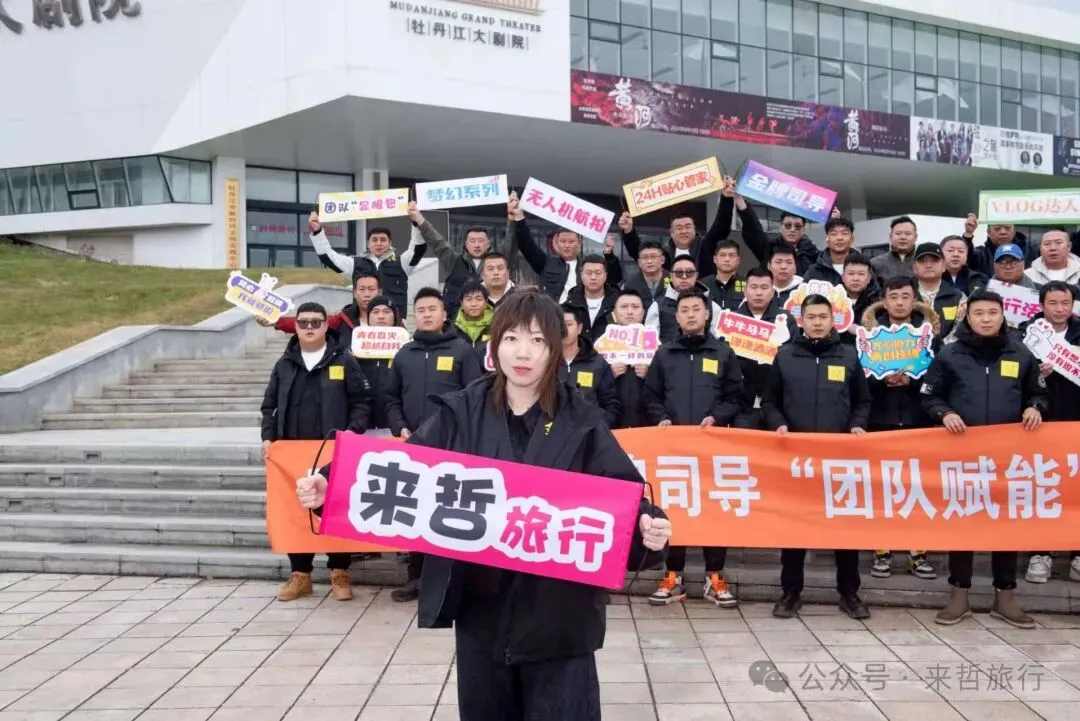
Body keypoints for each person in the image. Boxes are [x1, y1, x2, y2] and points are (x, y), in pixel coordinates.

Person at [295, 289, 671, 721]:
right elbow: (404, 466)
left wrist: (649, 526)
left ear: (555, 348)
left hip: (560, 617)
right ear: (495, 345)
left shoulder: (582, 421)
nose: (523, 353)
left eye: (537, 340)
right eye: (511, 338)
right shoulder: (462, 411)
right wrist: (331, 485)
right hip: (482, 612)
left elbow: (627, 500)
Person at [920, 291, 1048, 629]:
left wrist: (1035, 407)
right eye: (979, 313)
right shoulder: (950, 354)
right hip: (963, 458)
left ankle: (1005, 596)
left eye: (993, 312)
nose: (986, 319)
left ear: (1003, 316)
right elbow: (929, 396)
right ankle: (958, 594)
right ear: (968, 316)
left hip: (1009, 461)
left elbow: (1039, 393)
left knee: (1006, 527)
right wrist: (944, 413)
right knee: (964, 526)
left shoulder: (1020, 353)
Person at [762, 294, 872, 620]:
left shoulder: (848, 356)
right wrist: (778, 424)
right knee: (794, 529)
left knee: (843, 529)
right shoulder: (785, 356)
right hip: (795, 460)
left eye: (823, 317)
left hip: (839, 458)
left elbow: (863, 402)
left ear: (833, 319)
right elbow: (769, 402)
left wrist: (857, 425)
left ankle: (849, 593)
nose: (818, 323)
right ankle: (790, 592)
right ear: (801, 321)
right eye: (811, 317)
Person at [259, 302, 372, 602]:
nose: (309, 328)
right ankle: (300, 574)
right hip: (292, 452)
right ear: (295, 327)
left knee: (334, 509)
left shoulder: (344, 360)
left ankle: (339, 571)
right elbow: (269, 406)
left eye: (316, 322)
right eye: (303, 322)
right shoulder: (284, 364)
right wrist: (268, 437)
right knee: (296, 509)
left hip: (332, 453)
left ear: (326, 326)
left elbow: (362, 401)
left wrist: (353, 431)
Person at [644, 289, 744, 609]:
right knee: (674, 511)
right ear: (676, 317)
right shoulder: (664, 354)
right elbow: (651, 395)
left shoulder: (722, 353)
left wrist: (717, 417)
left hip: (712, 448)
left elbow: (735, 396)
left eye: (696, 309)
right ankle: (673, 576)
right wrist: (661, 418)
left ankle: (715, 577)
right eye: (684, 310)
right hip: (674, 450)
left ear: (707, 314)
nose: (690, 315)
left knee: (714, 510)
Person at [385, 287, 485, 602]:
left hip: (452, 448)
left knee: (449, 511)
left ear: (444, 313)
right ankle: (416, 578)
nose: (427, 314)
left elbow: (475, 398)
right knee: (415, 511)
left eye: (432, 309)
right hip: (414, 447)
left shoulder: (462, 351)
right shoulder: (404, 354)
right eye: (421, 310)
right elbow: (390, 399)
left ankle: (451, 579)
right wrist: (400, 427)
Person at [859, 275, 940, 581]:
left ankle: (918, 553)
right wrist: (880, 380)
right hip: (880, 423)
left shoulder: (929, 337)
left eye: (906, 297)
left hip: (919, 422)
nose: (900, 303)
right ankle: (882, 552)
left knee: (917, 491)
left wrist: (914, 381)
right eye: (894, 297)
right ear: (885, 301)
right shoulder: (869, 337)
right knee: (882, 491)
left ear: (914, 300)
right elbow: (858, 381)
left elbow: (940, 379)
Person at [1019, 281, 1080, 584]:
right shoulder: (1026, 334)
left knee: (1076, 489)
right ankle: (1040, 553)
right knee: (1044, 488)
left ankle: (1077, 553)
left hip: (1076, 422)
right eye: (1053, 303)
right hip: (1040, 423)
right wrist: (1033, 370)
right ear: (1041, 305)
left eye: (1065, 303)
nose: (1059, 309)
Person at [307, 207, 429, 312]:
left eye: (383, 240)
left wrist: (416, 223)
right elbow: (328, 258)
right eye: (374, 240)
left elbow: (418, 248)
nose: (379, 243)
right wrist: (318, 232)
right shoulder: (354, 264)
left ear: (390, 243)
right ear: (368, 244)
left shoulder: (402, 263)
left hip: (395, 325)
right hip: (363, 325)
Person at [512, 193, 621, 304]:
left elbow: (614, 279)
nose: (567, 245)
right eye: (563, 241)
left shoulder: (588, 266)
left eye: (571, 241)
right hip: (553, 311)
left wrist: (609, 256)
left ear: (579, 243)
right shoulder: (546, 263)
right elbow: (526, 244)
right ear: (556, 243)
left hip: (580, 311)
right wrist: (519, 218)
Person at [730, 267, 796, 430]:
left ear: (772, 292)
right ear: (745, 291)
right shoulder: (732, 320)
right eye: (753, 287)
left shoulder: (785, 320)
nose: (758, 293)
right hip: (742, 404)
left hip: (777, 404)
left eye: (764, 287)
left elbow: (792, 357)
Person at [263, 271, 387, 343]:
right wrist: (275, 321)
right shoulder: (343, 319)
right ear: (354, 293)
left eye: (371, 289)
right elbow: (311, 323)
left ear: (380, 292)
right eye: (362, 289)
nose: (366, 294)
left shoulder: (393, 320)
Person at [559, 304, 620, 427]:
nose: (564, 329)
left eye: (569, 324)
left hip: (590, 432)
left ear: (579, 328)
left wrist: (599, 427)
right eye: (559, 325)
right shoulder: (544, 362)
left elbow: (611, 404)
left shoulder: (597, 363)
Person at [423, 223, 493, 321]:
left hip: (488, 322)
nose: (477, 245)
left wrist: (512, 221)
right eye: (472, 241)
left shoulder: (496, 264)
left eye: (481, 241)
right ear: (466, 244)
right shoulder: (454, 260)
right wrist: (420, 220)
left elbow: (510, 244)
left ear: (488, 244)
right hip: (455, 322)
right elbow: (437, 241)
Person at [645, 256, 723, 344]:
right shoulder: (657, 306)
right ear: (671, 276)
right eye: (679, 272)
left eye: (689, 272)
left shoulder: (712, 306)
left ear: (696, 276)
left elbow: (721, 341)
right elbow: (649, 343)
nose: (684, 276)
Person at [608, 289, 650, 429]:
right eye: (624, 307)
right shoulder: (602, 344)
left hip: (647, 420)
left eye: (635, 307)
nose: (630, 312)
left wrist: (650, 374)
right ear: (614, 313)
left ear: (643, 313)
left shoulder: (655, 344)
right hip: (612, 421)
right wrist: (608, 374)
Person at [912, 242, 966, 338]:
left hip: (947, 347)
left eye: (934, 260)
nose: (928, 265)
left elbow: (961, 329)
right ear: (914, 268)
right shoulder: (903, 294)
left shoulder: (958, 297)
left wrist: (941, 345)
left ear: (944, 266)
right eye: (922, 261)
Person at [960, 213, 1039, 277]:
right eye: (997, 228)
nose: (1003, 232)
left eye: (1007, 228)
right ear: (989, 232)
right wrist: (968, 234)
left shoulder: (1031, 250)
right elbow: (963, 259)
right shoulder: (981, 254)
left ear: (1014, 230)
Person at [564, 253, 619, 342]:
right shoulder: (570, 305)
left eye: (598, 273)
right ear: (581, 275)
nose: (593, 277)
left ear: (605, 275)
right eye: (589, 273)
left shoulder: (618, 304)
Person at [805, 216, 859, 285]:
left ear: (852, 239)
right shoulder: (814, 271)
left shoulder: (864, 267)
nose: (839, 238)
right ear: (827, 239)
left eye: (844, 233)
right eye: (834, 234)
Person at [621, 239, 669, 314]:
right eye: (645, 257)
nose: (649, 261)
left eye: (653, 257)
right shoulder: (630, 283)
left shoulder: (673, 279)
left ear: (662, 260)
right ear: (639, 262)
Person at [454, 281, 494, 366]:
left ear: (486, 303)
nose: (474, 304)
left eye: (479, 299)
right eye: (469, 299)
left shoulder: (497, 325)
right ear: (461, 303)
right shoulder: (452, 328)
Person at [700, 239, 746, 310]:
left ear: (738, 260)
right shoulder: (702, 285)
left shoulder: (747, 284)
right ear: (715, 259)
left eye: (731, 255)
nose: (727, 259)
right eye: (722, 255)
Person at [870, 216, 918, 282]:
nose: (903, 237)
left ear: (915, 237)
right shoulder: (875, 263)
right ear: (890, 236)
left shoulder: (922, 262)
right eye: (898, 234)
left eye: (907, 234)